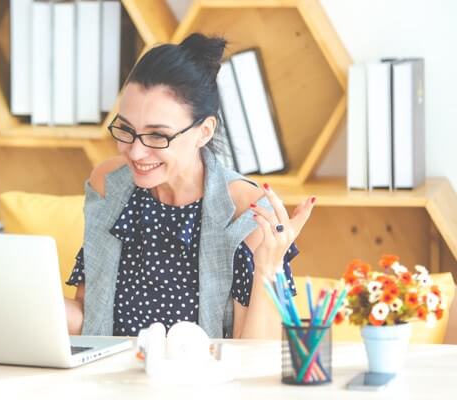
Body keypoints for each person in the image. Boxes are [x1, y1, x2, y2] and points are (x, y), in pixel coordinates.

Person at [64, 33, 315, 339]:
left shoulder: (247, 213)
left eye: (157, 135)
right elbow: (90, 317)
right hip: (111, 381)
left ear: (204, 132)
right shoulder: (109, 185)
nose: (136, 152)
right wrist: (25, 304)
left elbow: (255, 358)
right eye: (126, 129)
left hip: (203, 385)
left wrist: (268, 267)